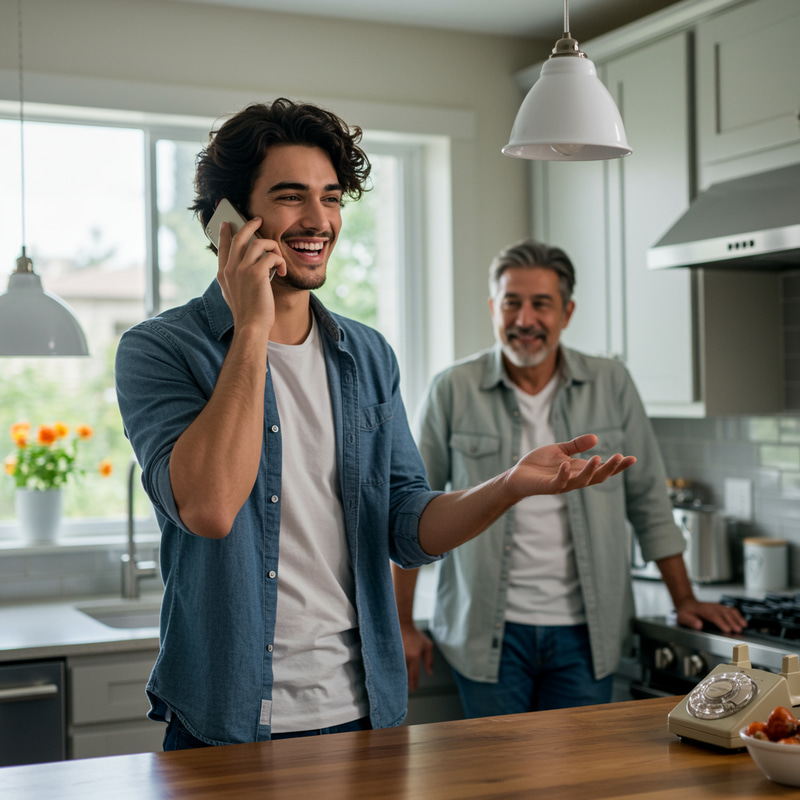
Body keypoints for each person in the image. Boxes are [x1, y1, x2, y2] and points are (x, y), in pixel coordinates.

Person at [114, 100, 635, 750]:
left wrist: (507, 486)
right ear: (229, 223)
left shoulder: (366, 355)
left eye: (331, 198)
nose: (319, 221)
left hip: (363, 713)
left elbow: (406, 527)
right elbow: (212, 508)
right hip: (227, 721)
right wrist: (251, 325)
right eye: (290, 197)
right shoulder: (160, 350)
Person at [391, 238, 747, 717]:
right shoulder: (453, 388)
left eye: (541, 304)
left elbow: (647, 501)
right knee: (499, 784)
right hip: (485, 634)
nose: (525, 320)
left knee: (580, 784)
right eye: (512, 303)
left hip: (588, 634)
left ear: (567, 311)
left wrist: (683, 597)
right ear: (494, 307)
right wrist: (403, 623)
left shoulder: (611, 382)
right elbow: (414, 512)